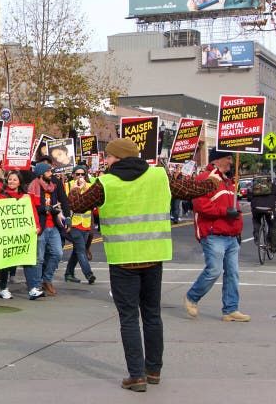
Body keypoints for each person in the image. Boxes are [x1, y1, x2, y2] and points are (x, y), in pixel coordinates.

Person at [68, 138, 219, 391]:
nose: (105, 161)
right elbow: (191, 190)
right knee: (152, 315)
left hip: (122, 258)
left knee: (128, 318)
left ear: (117, 158)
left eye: (107, 157)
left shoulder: (105, 182)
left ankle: (136, 376)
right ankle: (154, 371)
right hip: (153, 255)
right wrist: (213, 182)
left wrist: (75, 189)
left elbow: (77, 205)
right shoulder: (159, 176)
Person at [185, 148, 252, 323]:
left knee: (232, 273)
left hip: (230, 235)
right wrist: (224, 212)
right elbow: (200, 206)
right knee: (214, 270)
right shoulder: (205, 178)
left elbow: (235, 209)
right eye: (228, 158)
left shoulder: (228, 181)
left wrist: (237, 230)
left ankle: (230, 309)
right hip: (213, 234)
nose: (231, 162)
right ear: (217, 160)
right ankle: (192, 297)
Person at [27, 162, 69, 297]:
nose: (51, 174)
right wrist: (43, 209)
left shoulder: (53, 187)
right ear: (41, 174)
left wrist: (63, 215)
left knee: (58, 253)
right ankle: (37, 284)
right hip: (41, 226)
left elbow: (59, 203)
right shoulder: (33, 187)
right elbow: (31, 207)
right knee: (39, 258)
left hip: (54, 225)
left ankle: (47, 279)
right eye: (48, 172)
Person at [0, 170, 41, 299]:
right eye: (10, 179)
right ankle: (3, 289)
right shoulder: (1, 196)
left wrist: (37, 226)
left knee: (28, 260)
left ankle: (33, 288)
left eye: (14, 179)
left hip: (22, 233)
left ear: (19, 182)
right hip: (7, 234)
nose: (11, 182)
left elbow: (32, 213)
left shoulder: (26, 197)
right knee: (6, 262)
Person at [64, 165, 96, 285]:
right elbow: (69, 202)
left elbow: (91, 201)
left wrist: (84, 188)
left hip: (86, 224)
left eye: (83, 174)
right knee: (81, 250)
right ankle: (89, 274)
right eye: (78, 174)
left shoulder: (89, 186)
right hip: (74, 224)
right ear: (73, 175)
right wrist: (76, 189)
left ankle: (69, 273)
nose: (80, 176)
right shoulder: (68, 186)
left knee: (77, 251)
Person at [248, 176, 276, 254]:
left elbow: (249, 198)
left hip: (256, 209)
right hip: (269, 210)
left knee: (256, 220)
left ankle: (257, 235)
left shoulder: (254, 187)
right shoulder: (275, 187)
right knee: (272, 226)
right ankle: (273, 246)